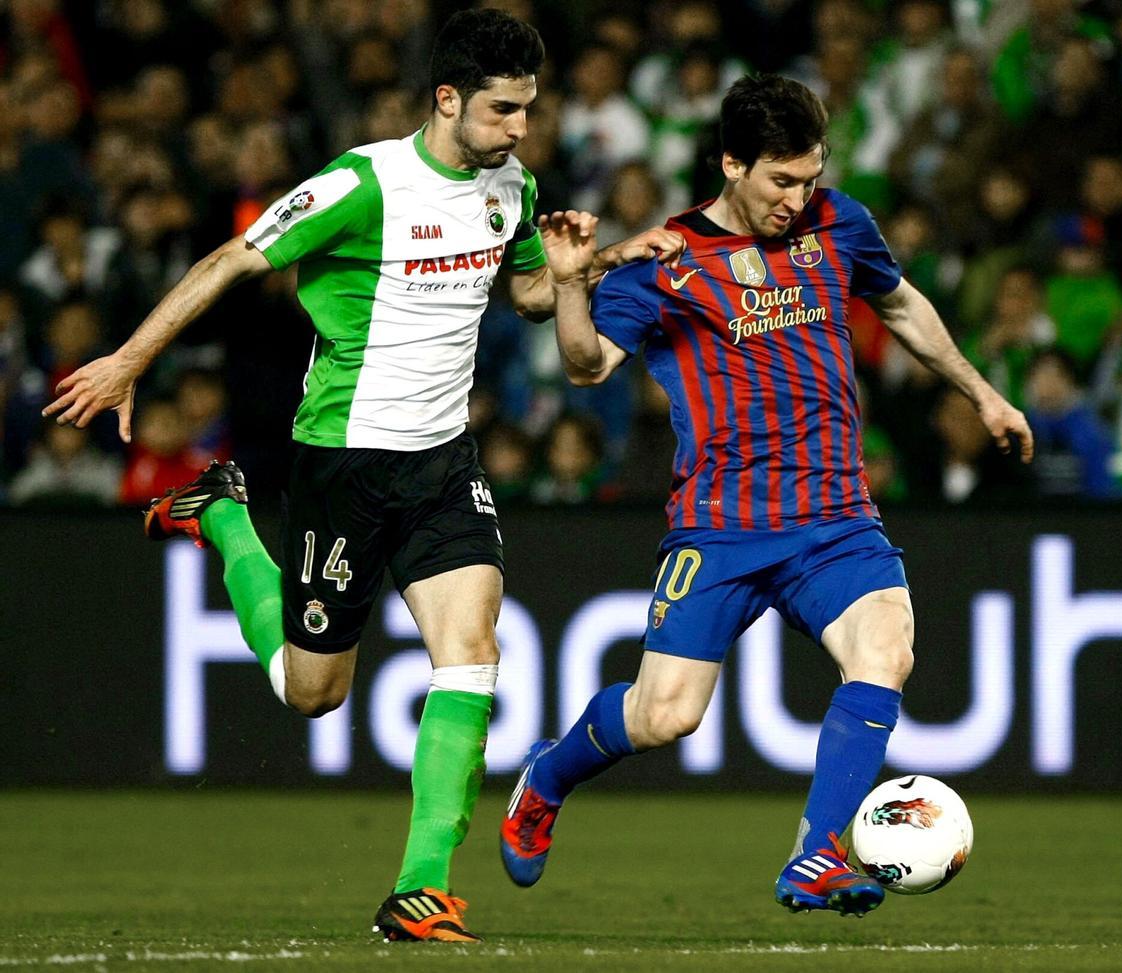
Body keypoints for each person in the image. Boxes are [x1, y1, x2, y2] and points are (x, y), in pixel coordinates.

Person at [42, 8, 681, 945]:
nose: (520, 130)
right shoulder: (363, 182)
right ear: (448, 98)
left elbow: (530, 293)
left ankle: (419, 889)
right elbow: (231, 260)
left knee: (473, 649)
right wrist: (131, 359)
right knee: (313, 691)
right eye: (503, 110)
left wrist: (588, 266)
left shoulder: (513, 186)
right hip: (345, 462)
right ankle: (225, 517)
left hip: (443, 461)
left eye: (528, 110)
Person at [500, 74, 1032, 917]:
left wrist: (983, 394)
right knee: (664, 715)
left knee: (886, 648)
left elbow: (900, 305)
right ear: (731, 164)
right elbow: (587, 365)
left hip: (835, 516)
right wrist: (571, 285)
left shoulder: (839, 223)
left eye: (810, 178)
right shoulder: (670, 258)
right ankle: (547, 776)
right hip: (723, 525)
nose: (797, 198)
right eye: (781, 180)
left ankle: (816, 854)